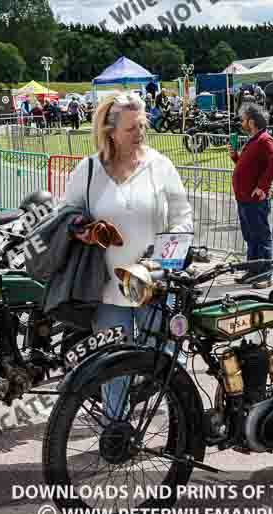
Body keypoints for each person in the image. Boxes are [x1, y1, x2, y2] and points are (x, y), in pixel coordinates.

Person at [64, 92, 193, 417]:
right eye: (131, 128)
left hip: (154, 287)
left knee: (162, 362)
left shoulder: (160, 166)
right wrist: (80, 227)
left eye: (142, 125)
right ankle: (115, 430)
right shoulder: (88, 170)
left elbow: (182, 217)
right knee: (112, 367)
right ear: (109, 131)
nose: (140, 133)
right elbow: (64, 214)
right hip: (107, 291)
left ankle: (174, 433)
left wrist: (162, 263)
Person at [228, 103, 273, 289]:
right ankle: (252, 271)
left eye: (243, 120)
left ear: (252, 122)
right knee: (250, 237)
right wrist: (235, 156)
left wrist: (262, 186)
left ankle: (265, 275)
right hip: (244, 199)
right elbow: (248, 166)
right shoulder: (254, 140)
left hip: (254, 201)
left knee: (261, 238)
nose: (241, 123)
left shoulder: (264, 140)